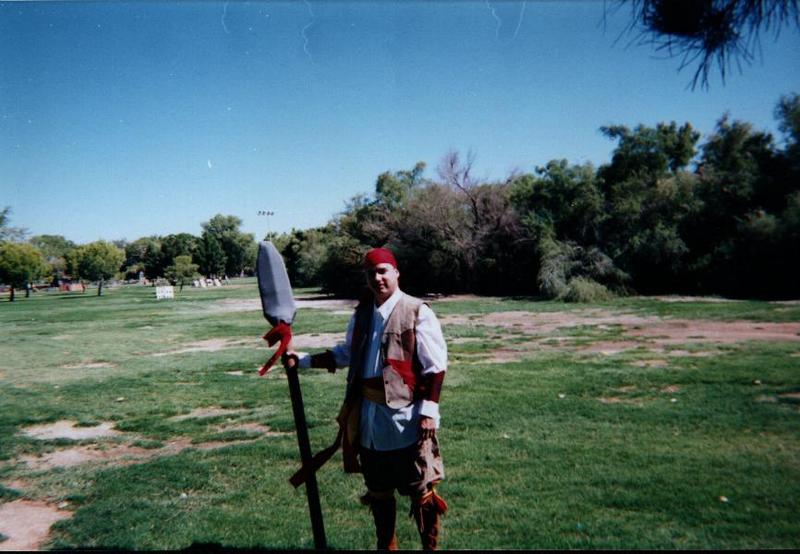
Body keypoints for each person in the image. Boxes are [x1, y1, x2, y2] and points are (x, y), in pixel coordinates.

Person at [285, 247, 448, 550]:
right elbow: (346, 353)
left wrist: (429, 412)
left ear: (396, 273)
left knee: (420, 490)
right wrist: (304, 360)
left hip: (406, 421)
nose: (377, 278)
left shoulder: (417, 311)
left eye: (383, 271)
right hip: (369, 422)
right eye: (371, 273)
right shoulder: (362, 314)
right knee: (379, 492)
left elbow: (435, 367)